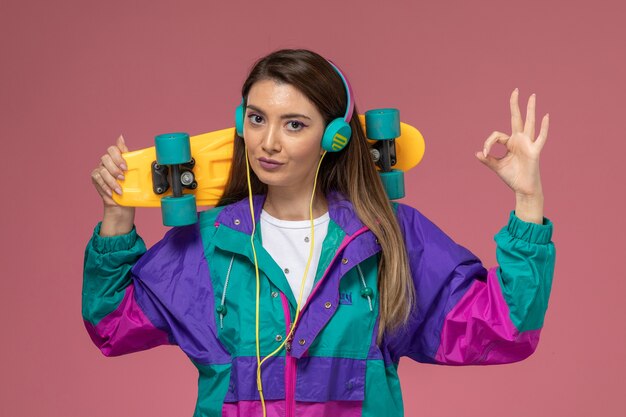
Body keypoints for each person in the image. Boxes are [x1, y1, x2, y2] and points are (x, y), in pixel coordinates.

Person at [83, 49, 555, 417]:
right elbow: (111, 326)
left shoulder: (386, 238)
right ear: (240, 124)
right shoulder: (207, 245)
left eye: (294, 125)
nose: (268, 142)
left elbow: (505, 327)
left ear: (334, 138)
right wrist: (118, 213)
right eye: (257, 118)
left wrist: (528, 199)